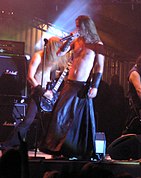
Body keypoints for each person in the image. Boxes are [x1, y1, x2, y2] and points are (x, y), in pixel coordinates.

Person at [39, 15, 105, 160]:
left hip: (81, 85)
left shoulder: (97, 44)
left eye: (79, 26)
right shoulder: (76, 41)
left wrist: (95, 85)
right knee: (59, 116)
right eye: (76, 25)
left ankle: (73, 150)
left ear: (86, 27)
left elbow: (99, 67)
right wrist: (70, 38)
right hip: (69, 83)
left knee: (77, 119)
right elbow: (60, 53)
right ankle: (55, 148)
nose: (77, 29)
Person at [0, 36, 67, 149]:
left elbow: (52, 75)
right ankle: (8, 144)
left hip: (49, 93)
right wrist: (42, 91)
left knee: (52, 120)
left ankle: (48, 145)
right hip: (38, 91)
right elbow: (30, 77)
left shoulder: (55, 59)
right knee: (28, 120)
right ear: (53, 47)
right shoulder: (38, 56)